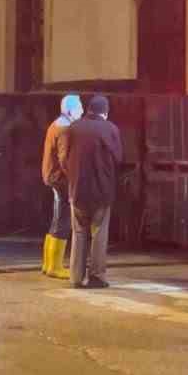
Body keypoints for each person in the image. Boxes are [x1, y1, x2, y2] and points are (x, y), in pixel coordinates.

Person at [57, 92, 122, 289]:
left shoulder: (73, 128)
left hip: (77, 190)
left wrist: (73, 176)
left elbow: (63, 158)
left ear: (88, 110)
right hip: (102, 191)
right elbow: (118, 158)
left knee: (79, 233)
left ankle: (76, 277)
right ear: (105, 112)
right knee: (99, 234)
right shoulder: (111, 129)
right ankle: (96, 277)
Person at [40, 93, 83, 278]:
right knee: (63, 220)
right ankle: (55, 267)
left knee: (57, 219)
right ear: (71, 110)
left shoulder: (55, 124)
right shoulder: (65, 129)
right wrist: (74, 176)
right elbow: (64, 158)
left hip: (52, 176)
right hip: (60, 178)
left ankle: (48, 264)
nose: (82, 111)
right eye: (79, 107)